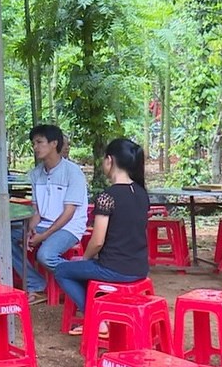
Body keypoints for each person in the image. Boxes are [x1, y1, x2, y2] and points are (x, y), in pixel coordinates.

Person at [0, 124, 88, 304]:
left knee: (45, 256)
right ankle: (35, 283)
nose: (35, 147)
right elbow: (36, 210)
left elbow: (69, 213)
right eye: (34, 143)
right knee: (4, 236)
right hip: (43, 224)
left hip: (69, 226)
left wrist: (43, 235)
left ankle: (84, 276)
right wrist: (31, 230)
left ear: (54, 144)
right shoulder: (36, 174)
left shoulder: (73, 172)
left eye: (39, 142)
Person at [54, 138, 150, 336]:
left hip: (114, 268)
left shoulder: (107, 197)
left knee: (62, 269)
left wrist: (86, 258)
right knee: (83, 270)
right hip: (139, 267)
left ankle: (98, 317)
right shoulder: (142, 193)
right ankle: (102, 313)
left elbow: (97, 241)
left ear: (109, 160)